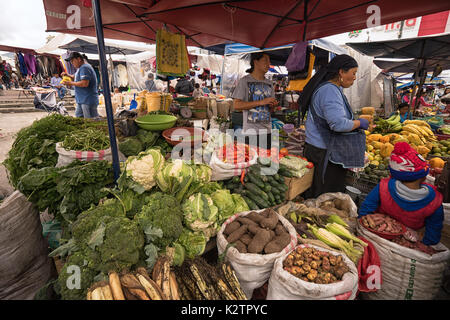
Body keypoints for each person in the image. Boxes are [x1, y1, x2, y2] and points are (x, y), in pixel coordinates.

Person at [299, 54, 368, 198]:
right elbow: (338, 124)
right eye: (353, 73)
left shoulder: (331, 89)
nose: (355, 77)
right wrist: (359, 123)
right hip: (324, 153)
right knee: (323, 197)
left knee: (318, 194)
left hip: (320, 150)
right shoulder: (329, 90)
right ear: (341, 72)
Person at [359, 142, 444, 248]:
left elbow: (366, 207)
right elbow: (434, 231)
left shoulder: (384, 186)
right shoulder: (435, 200)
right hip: (407, 243)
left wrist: (363, 225)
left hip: (378, 235)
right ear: (423, 176)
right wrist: (425, 244)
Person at [232, 52, 278, 149]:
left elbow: (270, 111)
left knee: (266, 161)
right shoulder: (244, 81)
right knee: (252, 161)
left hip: (268, 131)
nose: (268, 64)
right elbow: (236, 105)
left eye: (269, 61)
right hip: (251, 132)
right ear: (255, 62)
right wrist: (262, 102)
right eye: (265, 60)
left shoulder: (269, 83)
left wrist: (272, 106)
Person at [61, 52, 99, 118]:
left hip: (87, 100)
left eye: (72, 61)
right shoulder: (80, 68)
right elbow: (75, 77)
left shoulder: (85, 68)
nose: (72, 63)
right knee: (79, 117)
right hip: (81, 100)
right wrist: (68, 75)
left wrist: (70, 83)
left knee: (90, 121)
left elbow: (84, 83)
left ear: (79, 59)